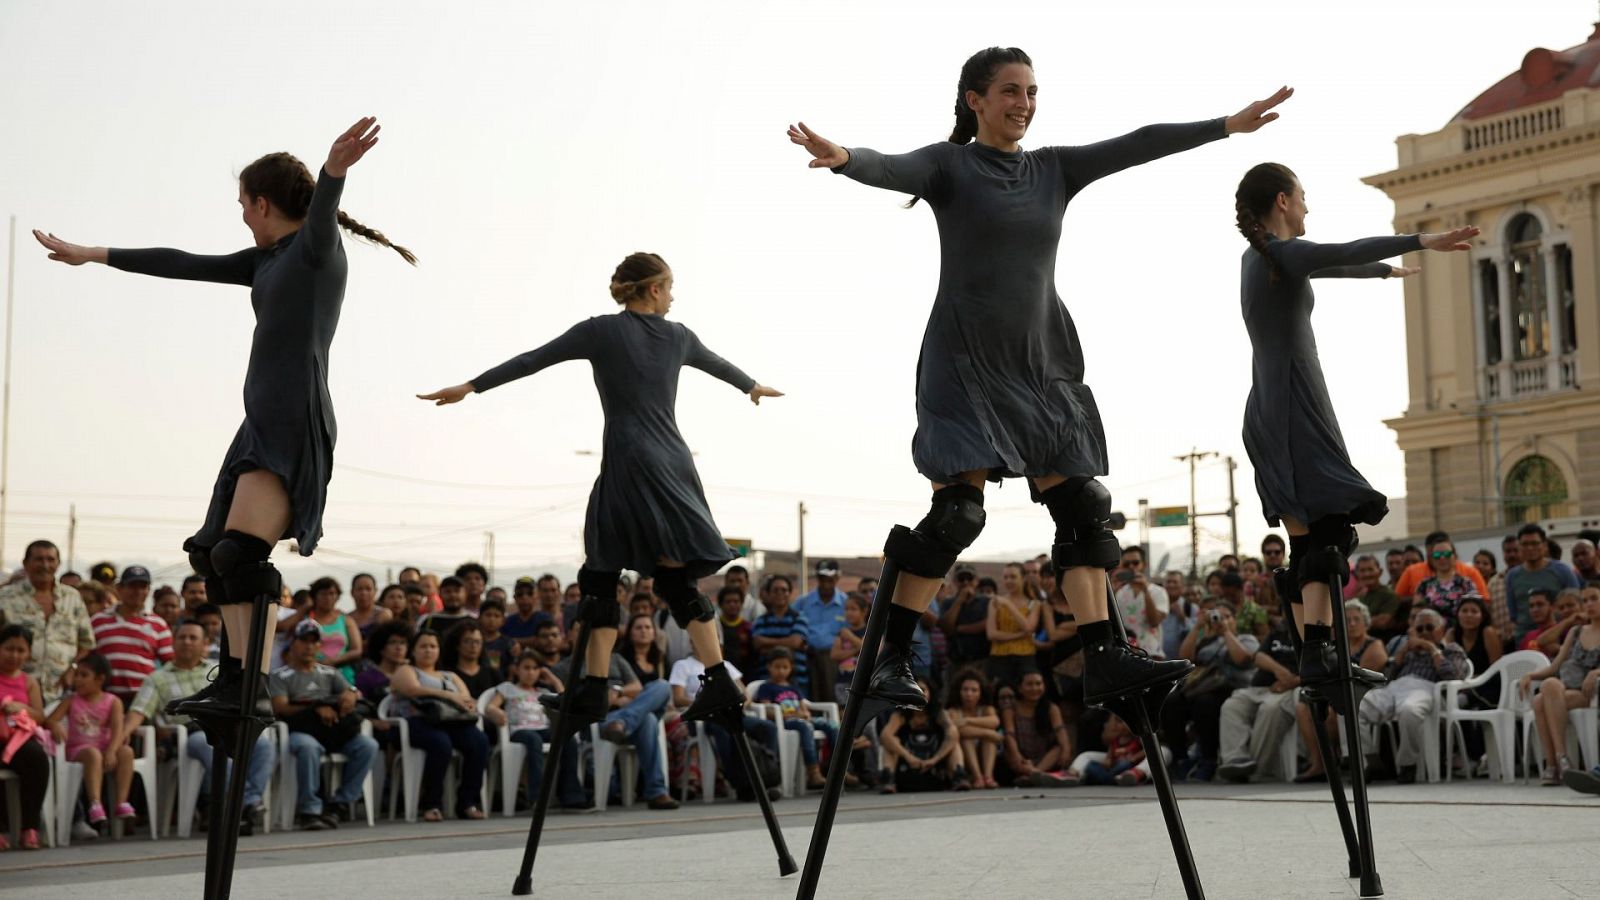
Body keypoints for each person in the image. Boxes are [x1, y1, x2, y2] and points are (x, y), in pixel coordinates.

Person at [789, 47, 1290, 718]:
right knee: (958, 515)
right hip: (964, 363)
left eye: (1031, 91)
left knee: (1083, 508)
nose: (1023, 102)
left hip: (1041, 364)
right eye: (1010, 90)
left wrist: (1225, 125)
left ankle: (1104, 652)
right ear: (975, 99)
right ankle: (893, 657)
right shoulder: (951, 165)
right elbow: (890, 166)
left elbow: (1136, 144)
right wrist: (846, 156)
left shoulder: (1054, 168)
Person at [36, 119, 413, 723]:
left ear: (263, 203)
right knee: (213, 555)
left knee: (241, 556)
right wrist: (93, 254)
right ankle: (236, 680)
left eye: (243, 203)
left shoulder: (316, 252)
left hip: (294, 419)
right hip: (259, 422)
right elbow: (181, 261)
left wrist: (334, 172)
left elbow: (323, 213)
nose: (240, 214)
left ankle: (251, 684)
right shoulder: (264, 260)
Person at [419, 252, 781, 730]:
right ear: (652, 289)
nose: (673, 297)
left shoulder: (601, 331)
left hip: (630, 460)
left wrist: (471, 386)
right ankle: (713, 677)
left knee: (602, 574)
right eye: (670, 287)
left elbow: (533, 360)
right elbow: (719, 366)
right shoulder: (679, 337)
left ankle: (595, 686)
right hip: (669, 461)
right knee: (665, 580)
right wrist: (751, 386)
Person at [1232, 160, 1476, 698]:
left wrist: (1383, 272)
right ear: (1281, 202)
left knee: (1307, 540)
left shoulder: (1263, 259)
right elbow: (1337, 252)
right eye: (1302, 196)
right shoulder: (1278, 254)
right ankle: (1318, 650)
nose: (1306, 207)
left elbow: (1329, 265)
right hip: (1293, 403)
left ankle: (1313, 655)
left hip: (1270, 407)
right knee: (1329, 528)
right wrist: (1422, 239)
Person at [123, 620, 277, 835]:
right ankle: (245, 804)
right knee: (211, 746)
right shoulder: (157, 678)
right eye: (181, 637)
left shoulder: (217, 673)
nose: (186, 642)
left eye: (192, 638)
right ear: (173, 643)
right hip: (189, 735)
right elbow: (139, 711)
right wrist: (123, 733)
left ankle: (244, 803)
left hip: (225, 728)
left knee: (263, 746)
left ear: (205, 643)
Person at [268, 619, 379, 830]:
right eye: (304, 641)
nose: (309, 646)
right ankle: (310, 810)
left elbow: (351, 691)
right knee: (309, 747)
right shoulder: (280, 676)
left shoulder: (329, 673)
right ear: (293, 644)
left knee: (367, 746)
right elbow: (281, 708)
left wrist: (351, 694)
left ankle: (340, 804)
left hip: (333, 730)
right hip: (299, 730)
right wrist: (315, 708)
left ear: (320, 646)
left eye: (314, 642)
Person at [388, 630, 489, 821]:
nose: (428, 650)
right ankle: (432, 804)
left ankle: (467, 802)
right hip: (417, 722)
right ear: (414, 651)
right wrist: (448, 695)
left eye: (433, 646)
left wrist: (468, 704)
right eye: (423, 646)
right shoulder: (407, 670)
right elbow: (412, 689)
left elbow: (466, 698)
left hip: (451, 722)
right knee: (440, 744)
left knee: (480, 742)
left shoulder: (449, 676)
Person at [1360, 608, 1467, 783]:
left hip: (1427, 688)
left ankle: (1408, 764)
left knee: (1409, 710)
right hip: (1396, 687)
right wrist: (1400, 655)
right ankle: (1369, 760)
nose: (1424, 633)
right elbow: (1387, 678)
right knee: (1352, 705)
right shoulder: (1408, 650)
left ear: (1441, 630)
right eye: (1419, 629)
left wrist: (1433, 650)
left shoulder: (1451, 649)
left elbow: (1455, 676)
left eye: (1429, 628)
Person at [1165, 600, 1260, 782]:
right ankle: (1180, 758)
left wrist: (1226, 632)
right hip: (1201, 689)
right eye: (1216, 617)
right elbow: (1184, 658)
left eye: (1226, 617)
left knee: (1204, 704)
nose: (1220, 620)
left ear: (1235, 620)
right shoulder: (1206, 642)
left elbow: (1242, 659)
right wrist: (1197, 627)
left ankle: (1208, 760)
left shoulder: (1246, 639)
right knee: (1172, 703)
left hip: (1232, 689)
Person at [1518, 585, 1600, 785]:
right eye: (1585, 601)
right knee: (1544, 691)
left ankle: (1555, 764)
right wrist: (1530, 674)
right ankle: (1560, 761)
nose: (1589, 604)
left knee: (1542, 698)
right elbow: (1555, 666)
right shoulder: (1576, 631)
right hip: (1566, 689)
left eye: (1594, 599)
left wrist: (1596, 672)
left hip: (1590, 691)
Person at [46, 653, 137, 830]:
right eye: (77, 675)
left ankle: (121, 801)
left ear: (100, 679)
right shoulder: (71, 700)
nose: (78, 680)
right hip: (80, 751)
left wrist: (111, 751)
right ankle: (95, 803)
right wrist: (54, 725)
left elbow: (118, 730)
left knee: (127, 752)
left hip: (104, 749)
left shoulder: (113, 701)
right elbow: (50, 719)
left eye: (84, 675)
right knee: (93, 754)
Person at [485, 653, 585, 811]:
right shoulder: (508, 688)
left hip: (542, 729)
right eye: (526, 668)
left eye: (535, 668)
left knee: (567, 739)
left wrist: (554, 680)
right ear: (517, 670)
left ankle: (571, 796)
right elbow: (490, 706)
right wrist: (496, 713)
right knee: (534, 741)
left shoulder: (542, 691)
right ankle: (537, 798)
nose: (530, 672)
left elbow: (566, 703)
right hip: (520, 731)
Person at [0, 540, 94, 704]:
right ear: (26, 563)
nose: (45, 565)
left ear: (58, 564)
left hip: (61, 695)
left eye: (50, 560)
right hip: (15, 694)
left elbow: (87, 644)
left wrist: (73, 669)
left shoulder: (72, 598)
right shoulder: (6, 597)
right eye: (39, 559)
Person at [1217, 615, 1301, 783]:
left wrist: (1292, 681)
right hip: (1259, 688)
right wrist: (1279, 671)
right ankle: (1236, 759)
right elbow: (1259, 656)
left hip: (1290, 689)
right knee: (1232, 705)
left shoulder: (1315, 636)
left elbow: (1325, 667)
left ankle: (1257, 769)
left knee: (1270, 709)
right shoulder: (1279, 632)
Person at [0, 624, 54, 849]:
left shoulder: (29, 682)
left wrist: (21, 707)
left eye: (20, 650)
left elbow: (39, 716)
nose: (15, 655)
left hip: (19, 740)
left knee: (37, 759)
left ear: (28, 653)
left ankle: (29, 828)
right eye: (9, 649)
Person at [755, 647, 841, 790]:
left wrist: (805, 713)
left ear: (791, 668)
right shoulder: (766, 687)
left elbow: (803, 706)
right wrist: (795, 715)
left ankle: (837, 768)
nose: (781, 671)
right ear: (769, 667)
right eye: (777, 667)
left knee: (832, 725)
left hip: (801, 719)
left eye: (785, 667)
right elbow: (768, 711)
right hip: (784, 722)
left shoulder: (793, 686)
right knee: (805, 726)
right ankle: (813, 772)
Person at [91, 565, 175, 705]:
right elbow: (89, 658)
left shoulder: (159, 624)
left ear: (148, 590)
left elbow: (170, 664)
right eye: (132, 586)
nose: (138, 591)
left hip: (143, 700)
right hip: (103, 698)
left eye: (143, 587)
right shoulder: (98, 620)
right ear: (119, 588)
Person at [1444, 596, 1503, 775]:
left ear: (1482, 615)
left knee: (1462, 702)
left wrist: (1471, 682)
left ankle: (1482, 756)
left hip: (1490, 684)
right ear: (1458, 615)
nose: (1469, 615)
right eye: (1464, 611)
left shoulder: (1488, 632)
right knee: (1452, 702)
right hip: (1463, 685)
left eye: (1474, 611)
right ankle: (1466, 757)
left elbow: (1496, 667)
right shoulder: (1452, 635)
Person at [878, 677, 965, 794]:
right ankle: (889, 781)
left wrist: (935, 759)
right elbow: (885, 736)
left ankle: (958, 778)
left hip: (934, 766)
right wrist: (909, 757)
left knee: (954, 743)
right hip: (908, 767)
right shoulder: (901, 715)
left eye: (922, 690)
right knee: (890, 742)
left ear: (930, 693)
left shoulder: (939, 714)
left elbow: (953, 733)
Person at [1505, 523, 1582, 645]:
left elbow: (1577, 607)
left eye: (1535, 543)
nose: (1530, 548)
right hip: (1525, 641)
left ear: (1545, 546)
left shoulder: (1562, 571)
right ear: (1519, 547)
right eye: (1525, 544)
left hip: (1560, 640)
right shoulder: (1512, 576)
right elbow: (1513, 615)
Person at [1001, 670, 1072, 786]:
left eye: (1038, 684)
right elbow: (1009, 735)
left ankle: (1034, 774)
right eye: (1029, 684)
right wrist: (1017, 755)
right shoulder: (1010, 708)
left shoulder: (1051, 708)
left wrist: (1066, 749)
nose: (1034, 688)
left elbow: (1060, 731)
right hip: (1019, 757)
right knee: (1008, 751)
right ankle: (1036, 774)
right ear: (1020, 688)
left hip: (1044, 758)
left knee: (1059, 748)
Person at [985, 562, 1040, 689]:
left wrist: (1009, 605)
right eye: (1006, 577)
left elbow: (1028, 627)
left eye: (1013, 577)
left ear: (1023, 578)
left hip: (1026, 658)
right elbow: (992, 634)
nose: (1009, 580)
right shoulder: (995, 602)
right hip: (999, 657)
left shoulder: (1034, 604)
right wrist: (1021, 635)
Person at [752, 574, 811, 692]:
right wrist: (788, 646)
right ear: (768, 594)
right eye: (775, 590)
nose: (780, 593)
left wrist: (768, 643)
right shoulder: (760, 621)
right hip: (767, 682)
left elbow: (795, 642)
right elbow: (758, 644)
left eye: (784, 590)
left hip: (797, 682)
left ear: (790, 593)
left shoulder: (800, 618)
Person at [944, 668, 1002, 789]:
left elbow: (994, 721)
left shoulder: (986, 708)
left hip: (983, 752)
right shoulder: (953, 711)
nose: (969, 694)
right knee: (967, 739)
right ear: (959, 691)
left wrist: (967, 721)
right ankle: (977, 777)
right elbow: (959, 731)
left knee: (989, 741)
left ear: (981, 692)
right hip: (963, 757)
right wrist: (988, 733)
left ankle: (988, 776)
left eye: (974, 690)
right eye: (965, 689)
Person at [1410, 539, 1482, 630]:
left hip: (1460, 633)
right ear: (1431, 559)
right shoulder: (1423, 585)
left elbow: (1475, 611)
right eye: (1437, 555)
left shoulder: (1466, 583)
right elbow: (1416, 613)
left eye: (1447, 554)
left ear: (1455, 556)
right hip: (1430, 634)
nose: (1442, 558)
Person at [1114, 546, 1170, 656]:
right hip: (1128, 655)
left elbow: (1154, 621)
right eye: (1126, 564)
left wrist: (1145, 591)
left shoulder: (1158, 592)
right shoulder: (1120, 593)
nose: (1131, 567)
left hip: (1152, 654)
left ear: (1144, 565)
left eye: (1135, 563)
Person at [307, 576, 363, 684]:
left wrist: (333, 661)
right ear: (315, 596)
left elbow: (357, 650)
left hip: (343, 675)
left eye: (332, 593)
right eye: (323, 594)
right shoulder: (307, 620)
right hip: (313, 675)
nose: (328, 598)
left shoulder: (346, 620)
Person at [439, 619, 501, 700]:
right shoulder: (446, 674)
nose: (473, 646)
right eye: (467, 641)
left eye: (477, 642)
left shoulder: (492, 674)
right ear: (457, 645)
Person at [1079, 714, 1148, 786]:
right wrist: (1107, 761)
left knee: (1124, 764)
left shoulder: (1136, 740)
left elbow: (1145, 751)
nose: (1124, 726)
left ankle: (1113, 778)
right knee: (1091, 765)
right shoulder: (1115, 741)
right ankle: (1113, 779)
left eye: (1127, 724)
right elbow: (1109, 756)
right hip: (1115, 767)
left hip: (1127, 766)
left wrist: (1134, 757)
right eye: (1120, 723)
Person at [830, 594, 870, 705]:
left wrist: (850, 637)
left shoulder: (870, 631)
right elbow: (834, 655)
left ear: (864, 611)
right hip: (843, 680)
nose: (849, 613)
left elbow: (868, 650)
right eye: (846, 609)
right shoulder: (842, 633)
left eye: (853, 609)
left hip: (864, 682)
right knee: (845, 714)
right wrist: (856, 649)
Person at [717, 585, 756, 675]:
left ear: (742, 604)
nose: (732, 605)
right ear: (721, 604)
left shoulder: (748, 627)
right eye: (728, 602)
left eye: (736, 601)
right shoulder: (716, 627)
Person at [1536, 589, 1586, 658]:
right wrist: (1568, 620)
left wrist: (1561, 649)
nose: (1566, 610)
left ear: (1582, 605)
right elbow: (1541, 641)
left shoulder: (1592, 623)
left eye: (1570, 605)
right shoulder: (1562, 628)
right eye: (1561, 608)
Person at [347, 573, 391, 640]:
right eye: (359, 589)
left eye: (368, 589)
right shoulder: (346, 619)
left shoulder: (383, 614)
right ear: (352, 592)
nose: (364, 593)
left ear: (375, 591)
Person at [477, 598, 515, 673]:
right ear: (480, 618)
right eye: (488, 615)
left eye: (497, 616)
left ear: (503, 621)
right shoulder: (474, 641)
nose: (492, 619)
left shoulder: (509, 644)